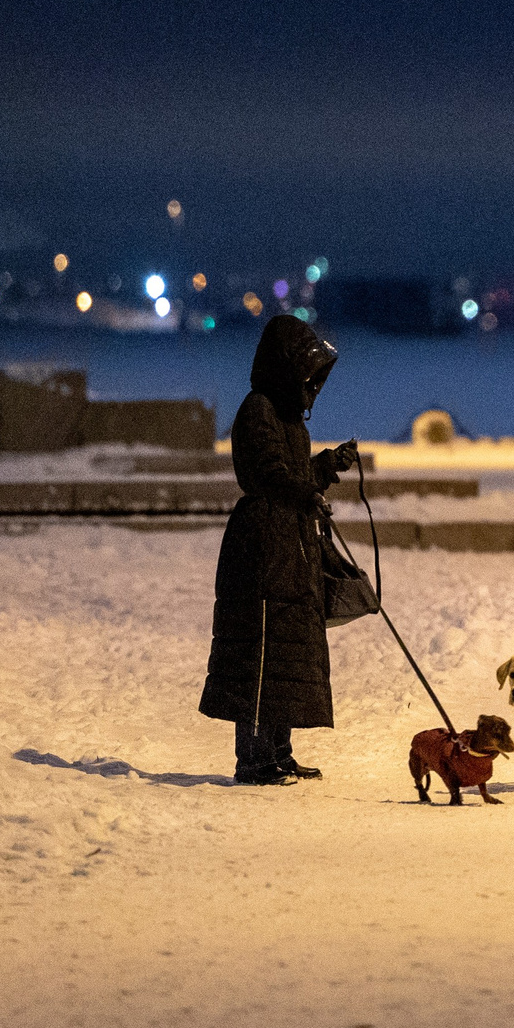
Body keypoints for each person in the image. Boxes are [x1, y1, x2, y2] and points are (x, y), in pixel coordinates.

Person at [199, 314, 361, 785]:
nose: (312, 384)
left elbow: (291, 471)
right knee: (263, 648)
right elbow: (267, 473)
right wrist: (305, 490)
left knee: (289, 648)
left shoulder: (287, 415)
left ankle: (279, 752)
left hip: (291, 543)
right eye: (307, 373)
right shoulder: (258, 410)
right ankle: (253, 760)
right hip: (262, 548)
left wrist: (326, 466)